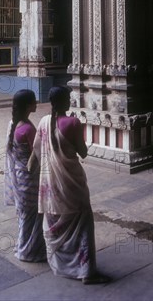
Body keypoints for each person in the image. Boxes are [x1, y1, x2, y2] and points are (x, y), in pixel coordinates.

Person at [30, 85, 110, 284]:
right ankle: (86, 272)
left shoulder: (43, 121)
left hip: (51, 183)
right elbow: (82, 152)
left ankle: (62, 265)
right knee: (82, 224)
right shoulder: (73, 122)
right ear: (67, 101)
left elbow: (37, 151)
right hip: (71, 182)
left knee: (54, 221)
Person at [4, 89, 46, 262]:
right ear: (28, 105)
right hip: (30, 178)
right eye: (34, 102)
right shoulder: (28, 128)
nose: (36, 104)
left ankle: (24, 246)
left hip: (19, 177)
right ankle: (29, 251)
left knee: (26, 215)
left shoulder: (15, 124)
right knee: (34, 215)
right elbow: (38, 153)